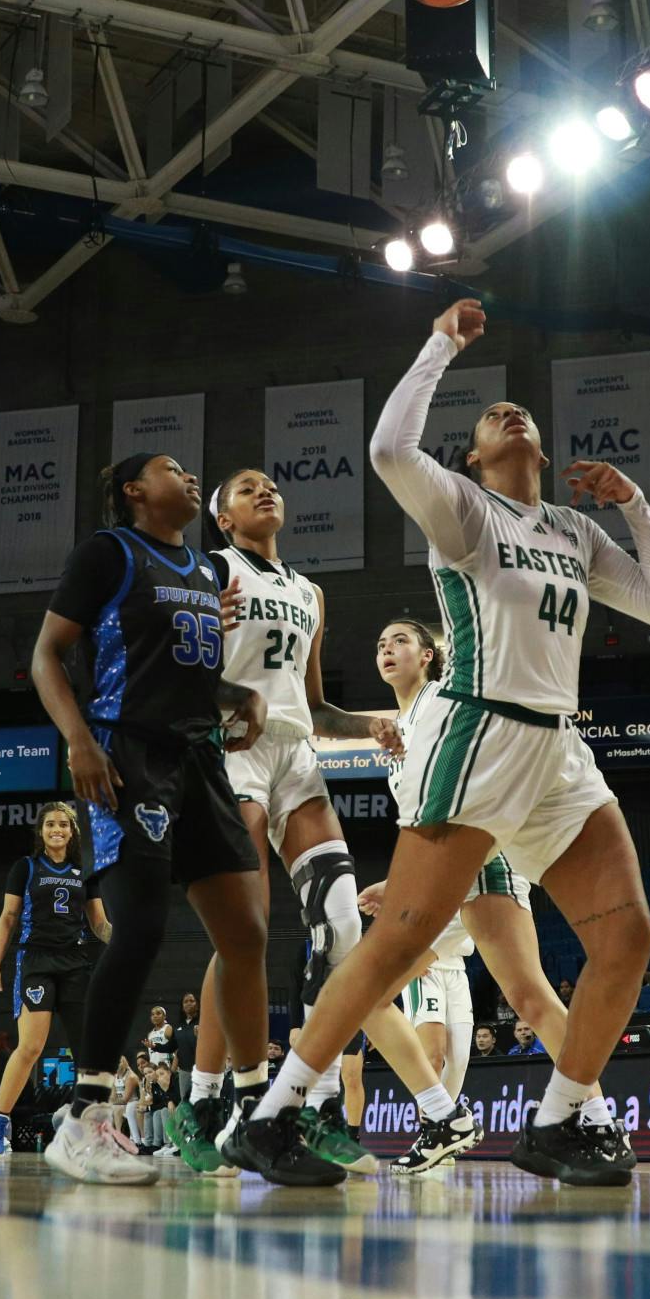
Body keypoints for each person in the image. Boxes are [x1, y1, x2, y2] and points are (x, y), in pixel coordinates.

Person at [238, 300, 650, 1188]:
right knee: (397, 943)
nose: (509, 414)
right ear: (474, 458)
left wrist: (634, 505)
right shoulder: (467, 512)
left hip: (559, 749)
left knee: (628, 936)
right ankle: (273, 1114)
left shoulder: (573, 529)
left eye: (521, 414)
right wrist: (442, 344)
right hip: (484, 734)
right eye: (491, 419)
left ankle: (562, 1120)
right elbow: (388, 450)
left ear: (543, 452)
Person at [172, 480, 453, 1182]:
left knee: (343, 926)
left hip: (296, 753)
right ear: (223, 517)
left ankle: (317, 1104)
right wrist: (218, 679)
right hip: (234, 746)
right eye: (247, 488)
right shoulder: (210, 569)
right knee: (243, 930)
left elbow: (315, 704)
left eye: (270, 484)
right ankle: (202, 1104)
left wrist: (367, 725)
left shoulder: (309, 592)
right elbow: (176, 666)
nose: (264, 490)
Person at [29, 451, 297, 1186]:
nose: (189, 476)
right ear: (133, 491)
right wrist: (78, 740)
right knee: (142, 927)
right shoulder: (108, 553)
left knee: (246, 932)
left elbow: (187, 672)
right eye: (171, 469)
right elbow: (46, 656)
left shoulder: (207, 569)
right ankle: (82, 1119)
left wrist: (239, 694)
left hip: (200, 758)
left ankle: (251, 1115)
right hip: (127, 753)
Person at [351, 618, 626, 1176]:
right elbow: (426, 821)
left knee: (529, 996)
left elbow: (466, 797)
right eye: (380, 644)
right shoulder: (401, 729)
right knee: (368, 997)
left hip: (479, 859)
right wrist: (402, 882)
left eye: (400, 641)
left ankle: (597, 1119)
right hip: (445, 876)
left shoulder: (442, 704)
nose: (387, 649)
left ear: (428, 655)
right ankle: (442, 1115)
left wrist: (416, 879)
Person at [0, 803, 112, 1160]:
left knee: (88, 1052)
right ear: (41, 831)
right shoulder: (25, 868)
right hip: (35, 960)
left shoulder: (86, 870)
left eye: (63, 824)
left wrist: (125, 939)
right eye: (50, 824)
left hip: (75, 962)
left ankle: (90, 1127)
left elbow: (99, 923)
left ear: (72, 831)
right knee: (31, 1047)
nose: (57, 829)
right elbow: (8, 917)